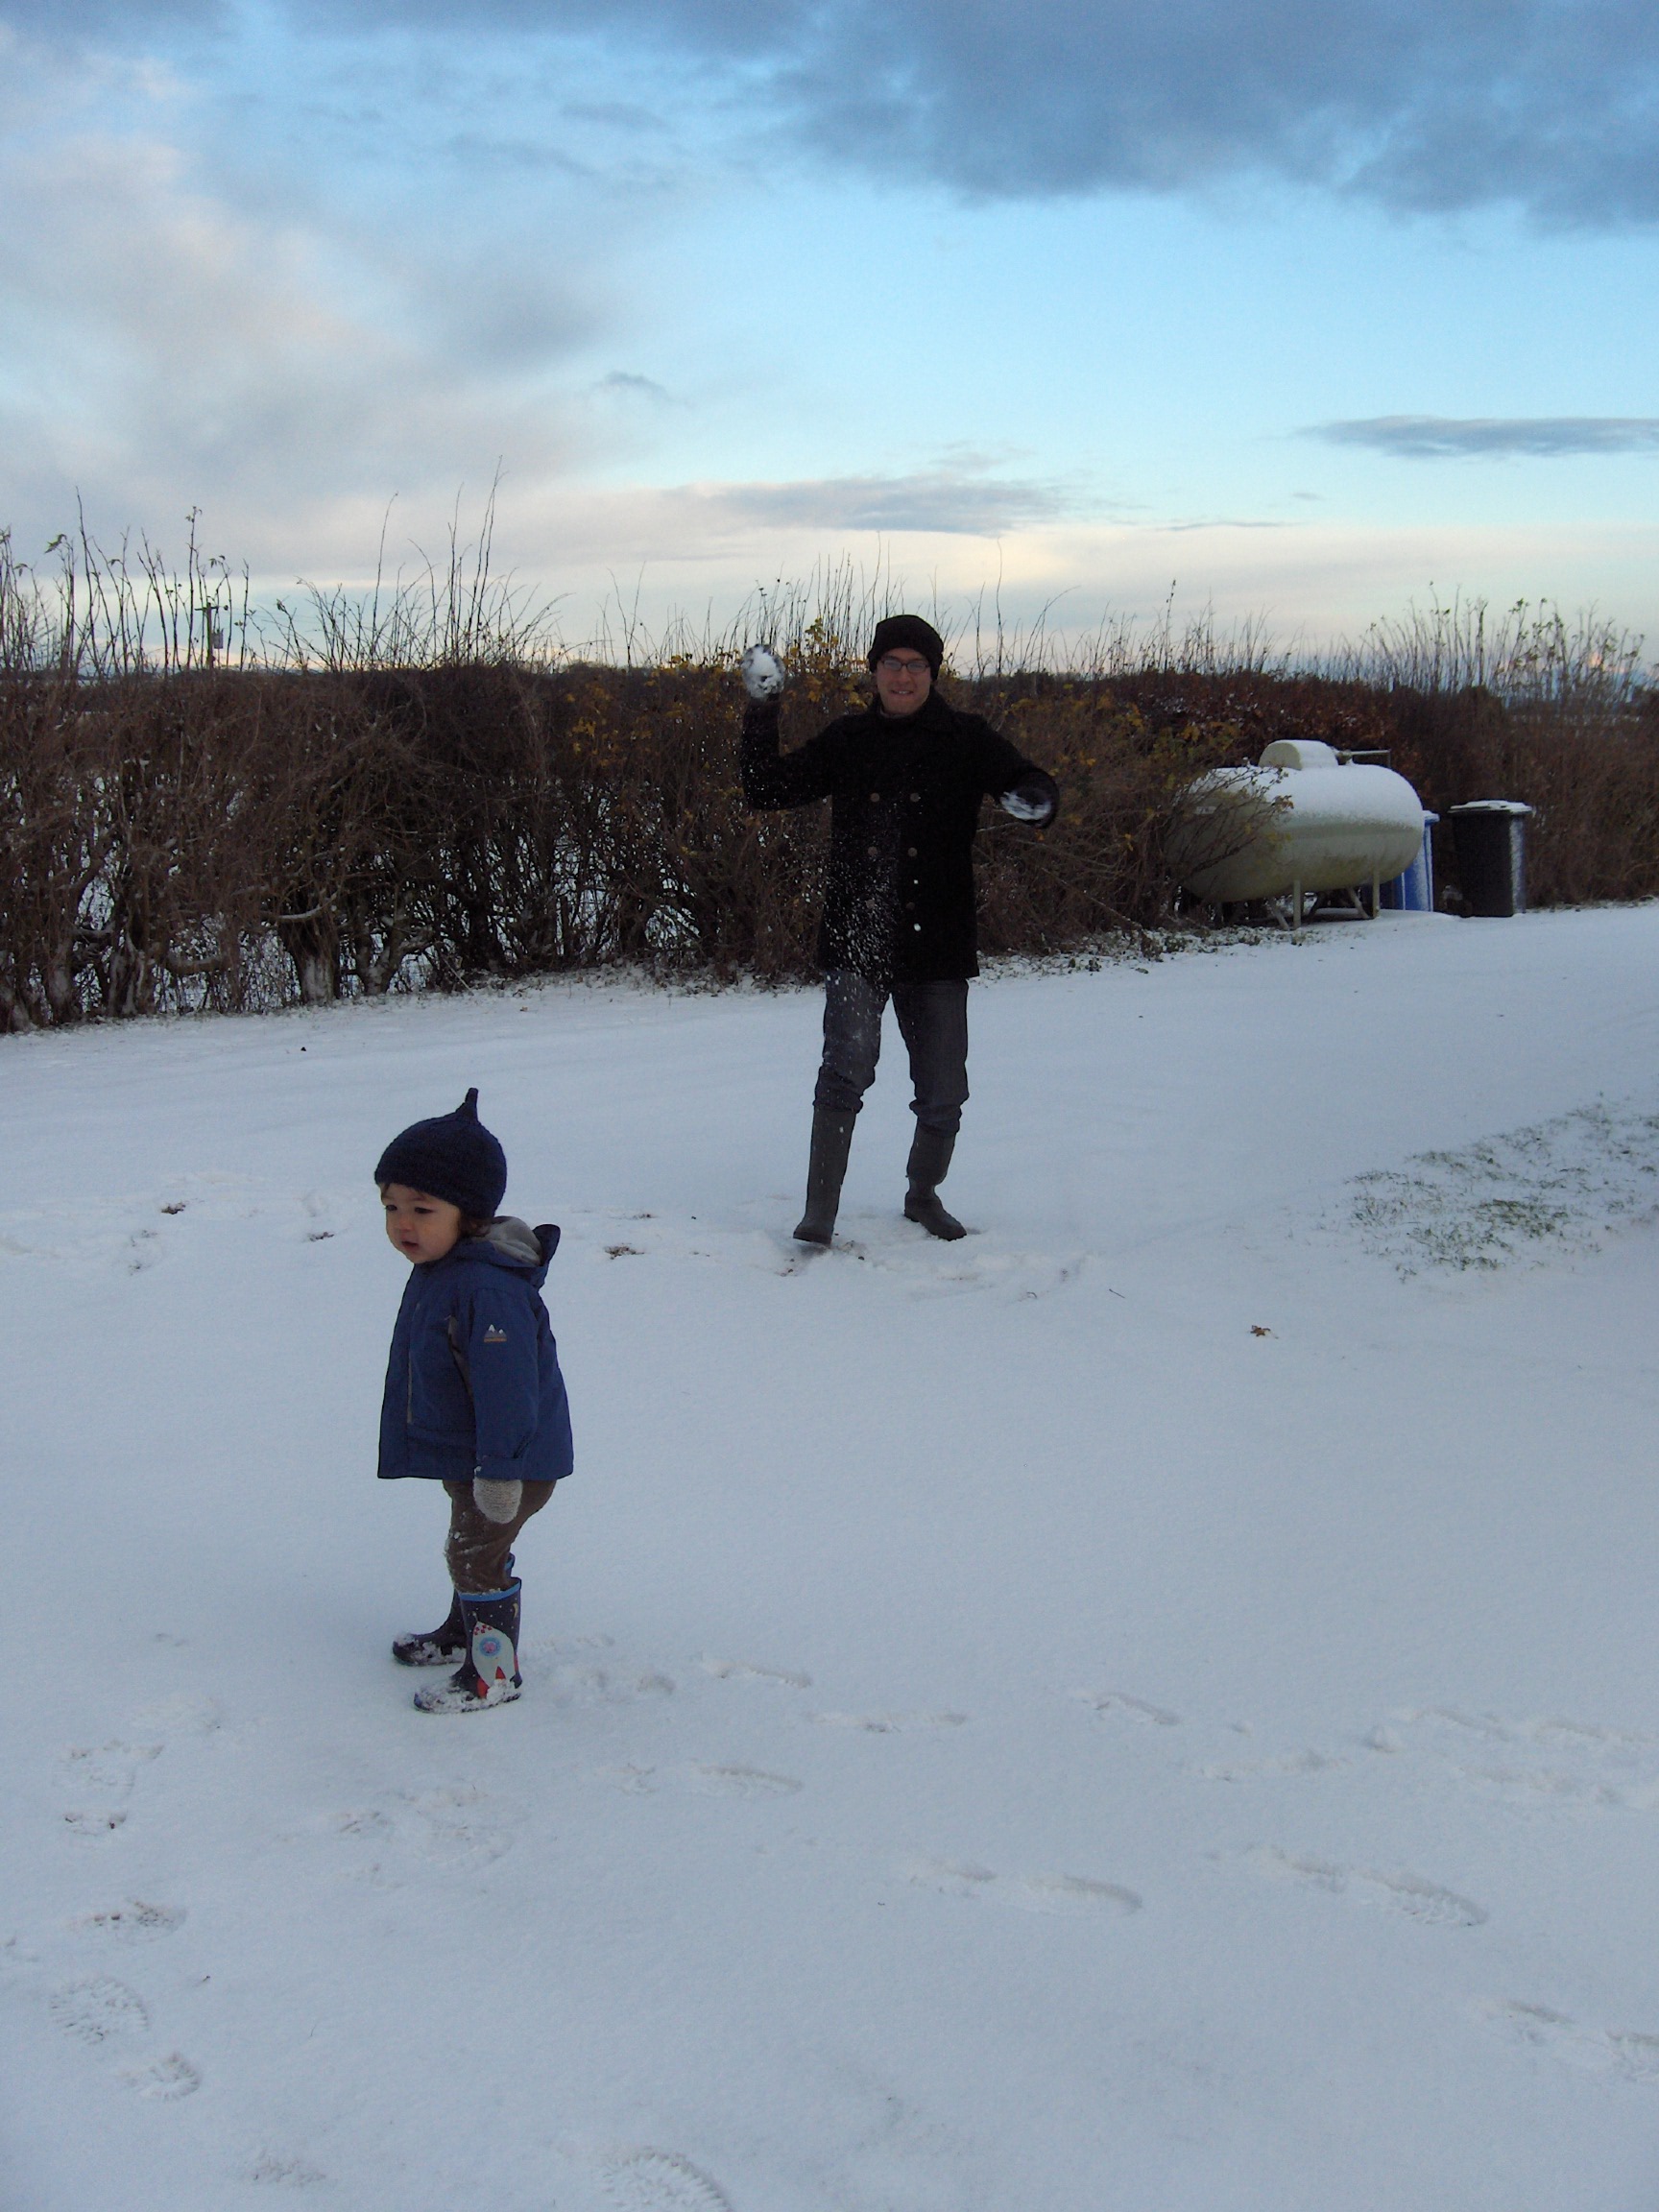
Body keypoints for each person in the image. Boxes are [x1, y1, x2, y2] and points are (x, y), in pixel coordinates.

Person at [739, 614, 1058, 1246]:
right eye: (892, 663)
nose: (903, 676)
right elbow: (766, 788)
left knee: (943, 1091)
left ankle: (923, 1195)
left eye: (916, 665)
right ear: (875, 671)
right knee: (844, 1072)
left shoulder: (965, 738)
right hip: (860, 934)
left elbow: (1026, 779)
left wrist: (1037, 801)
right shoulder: (849, 740)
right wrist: (763, 710)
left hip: (937, 941)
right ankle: (820, 1211)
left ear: (932, 674)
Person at [374, 1088, 573, 1714]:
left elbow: (508, 1389)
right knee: (471, 1548)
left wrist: (502, 1470)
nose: (403, 1224)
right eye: (391, 1206)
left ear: (470, 1213)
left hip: (511, 1462)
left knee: (476, 1556)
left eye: (422, 1208)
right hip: (480, 1457)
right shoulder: (449, 1270)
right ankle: (463, 1634)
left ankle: (493, 1675)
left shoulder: (487, 1289)